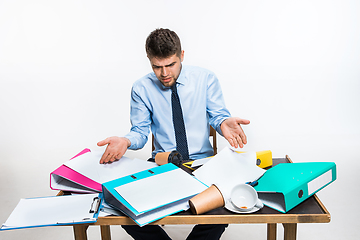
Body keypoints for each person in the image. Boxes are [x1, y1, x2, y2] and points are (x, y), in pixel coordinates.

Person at [97, 28, 250, 240]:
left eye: (170, 65)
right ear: (149, 60)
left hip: (203, 163)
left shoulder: (205, 78)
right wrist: (125, 141)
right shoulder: (142, 88)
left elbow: (217, 115)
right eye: (157, 67)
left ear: (182, 56)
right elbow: (140, 132)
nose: (164, 73)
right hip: (163, 165)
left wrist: (223, 122)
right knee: (121, 208)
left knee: (226, 202)